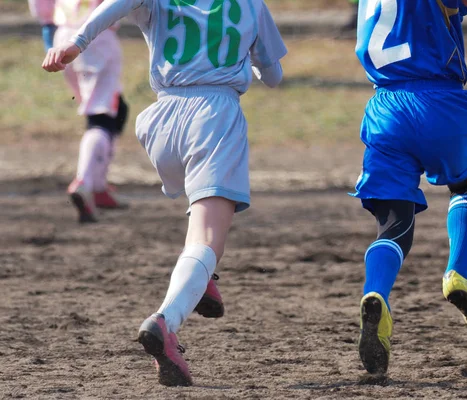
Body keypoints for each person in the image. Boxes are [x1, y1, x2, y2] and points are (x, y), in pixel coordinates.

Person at [42, 0, 287, 387]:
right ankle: (165, 322)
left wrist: (76, 43)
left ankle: (200, 278)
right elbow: (273, 76)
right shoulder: (251, 4)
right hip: (215, 116)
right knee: (208, 239)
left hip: (162, 123)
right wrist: (255, 58)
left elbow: (117, 4)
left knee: (200, 223)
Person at [352, 0, 467, 375]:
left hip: (385, 109)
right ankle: (456, 273)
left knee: (394, 226)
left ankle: (377, 292)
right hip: (437, 101)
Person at [28, 0, 130, 223]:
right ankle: (84, 183)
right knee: (101, 116)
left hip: (63, 34)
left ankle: (99, 186)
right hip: (94, 33)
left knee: (116, 108)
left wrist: (47, 23)